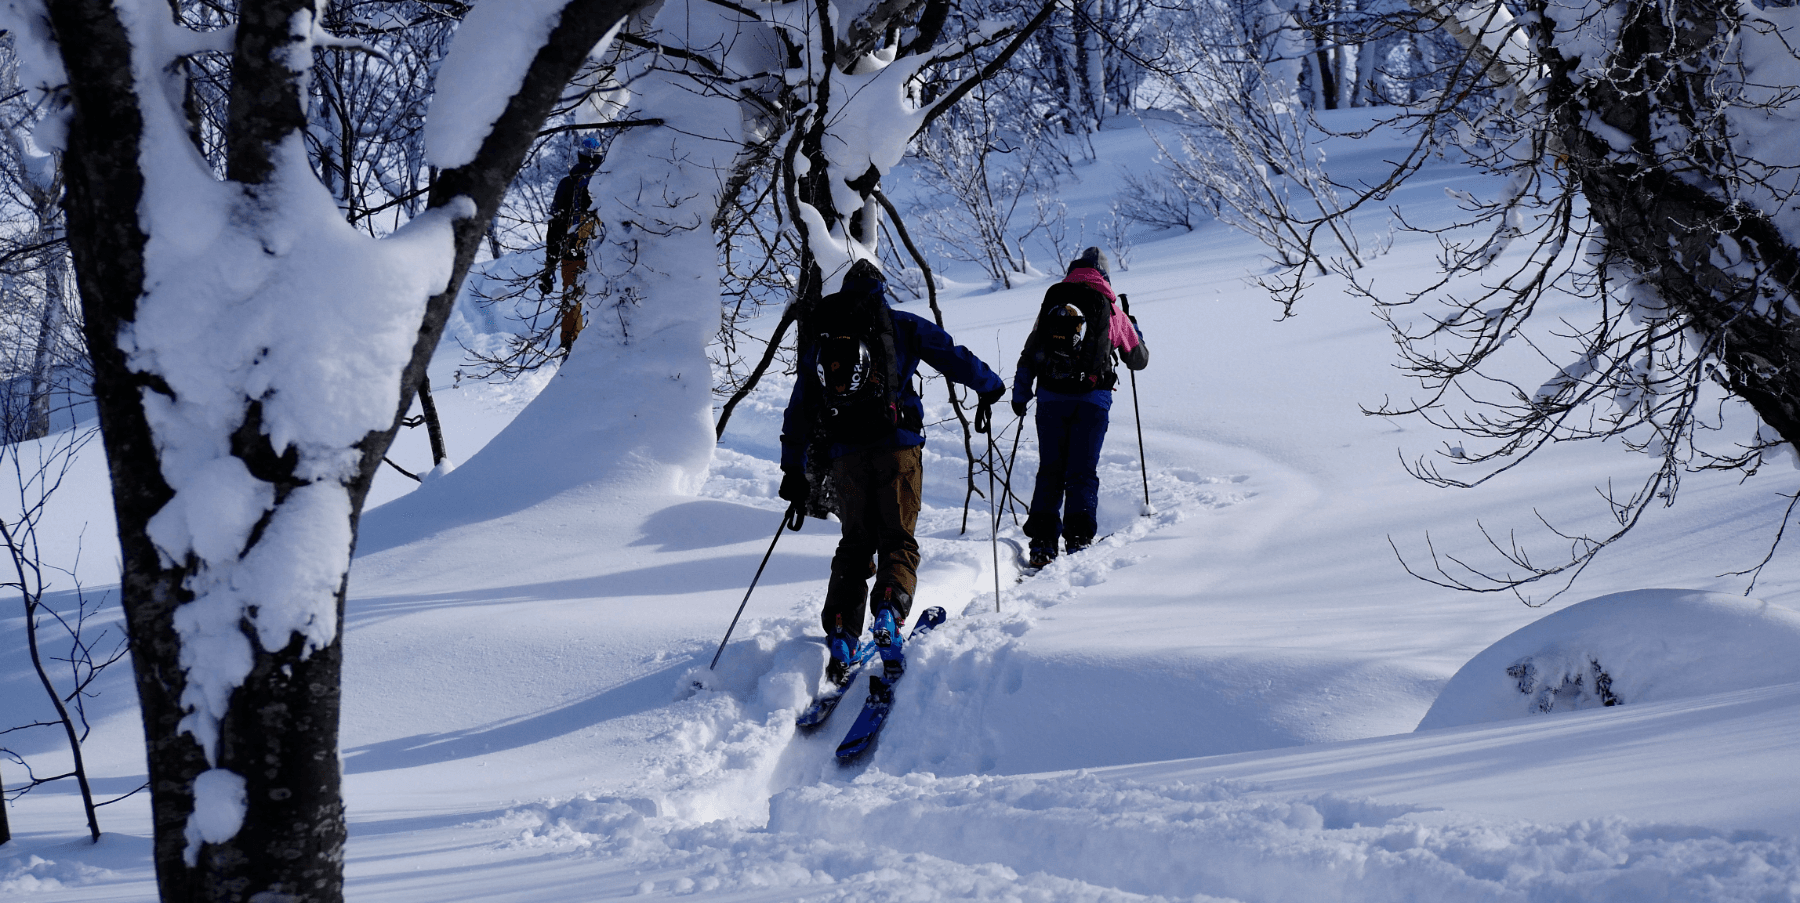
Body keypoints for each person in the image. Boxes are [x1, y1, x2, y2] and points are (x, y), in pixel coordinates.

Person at [780, 259, 1006, 686]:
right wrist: (990, 386)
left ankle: (843, 635)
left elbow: (801, 406)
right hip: (898, 447)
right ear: (880, 289)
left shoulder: (824, 340)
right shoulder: (901, 324)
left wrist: (793, 470)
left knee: (854, 545)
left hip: (846, 455)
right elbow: (952, 357)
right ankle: (887, 612)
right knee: (897, 540)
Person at [1010, 247, 1149, 569]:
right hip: (1092, 401)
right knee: (1082, 472)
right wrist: (1135, 327)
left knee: (1050, 470)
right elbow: (1138, 360)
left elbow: (1030, 353)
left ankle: (1043, 544)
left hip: (1049, 399)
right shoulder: (1112, 310)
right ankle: (1079, 540)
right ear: (1105, 275)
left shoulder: (1054, 305)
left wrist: (1020, 395)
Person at [541, 133, 604, 353]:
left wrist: (549, 267)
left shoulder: (567, 184)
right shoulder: (612, 182)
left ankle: (570, 349)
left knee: (571, 300)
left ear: (579, 156)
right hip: (606, 251)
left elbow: (555, 227)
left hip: (573, 251)